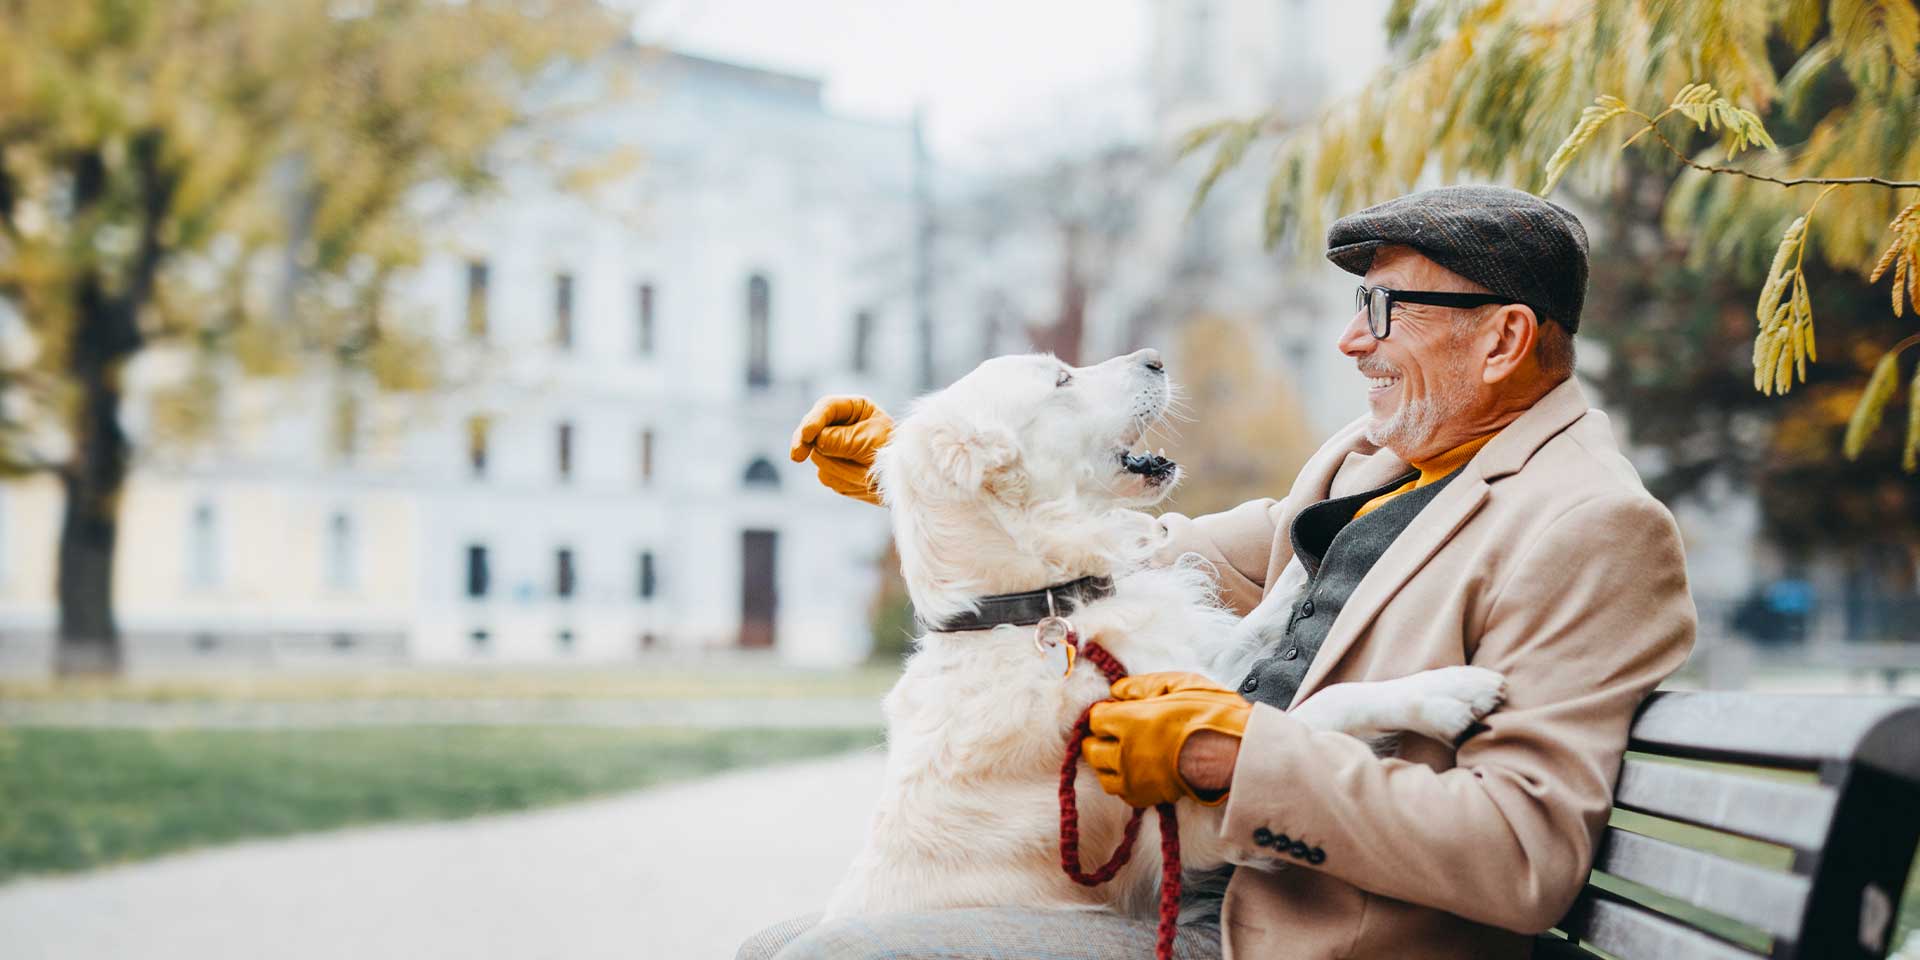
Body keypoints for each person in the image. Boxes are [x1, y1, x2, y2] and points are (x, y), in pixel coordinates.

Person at [753, 184, 1696, 960]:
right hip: (1187, 886)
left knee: (841, 958)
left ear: (1504, 339)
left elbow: (1520, 858)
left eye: (1385, 311)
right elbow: (1154, 555)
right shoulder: (1369, 460)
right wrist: (940, 482)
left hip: (1290, 934)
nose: (1351, 342)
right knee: (783, 946)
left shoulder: (1593, 525)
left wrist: (1235, 758)